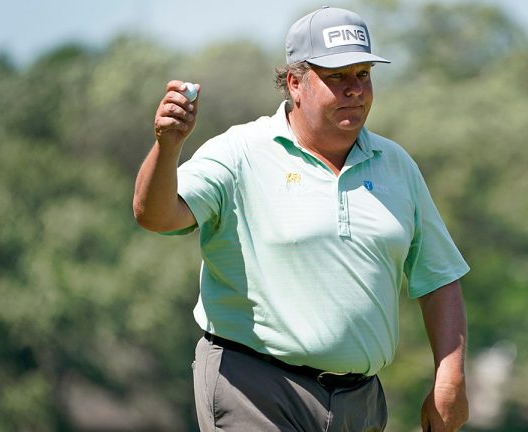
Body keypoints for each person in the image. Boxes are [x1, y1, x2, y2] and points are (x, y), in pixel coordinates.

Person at [133, 6, 470, 432]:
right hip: (253, 386)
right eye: (337, 77)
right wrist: (167, 147)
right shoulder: (239, 152)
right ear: (295, 82)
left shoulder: (396, 164)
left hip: (360, 400)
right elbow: (157, 216)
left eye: (363, 74)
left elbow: (438, 279)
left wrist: (450, 377)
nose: (355, 89)